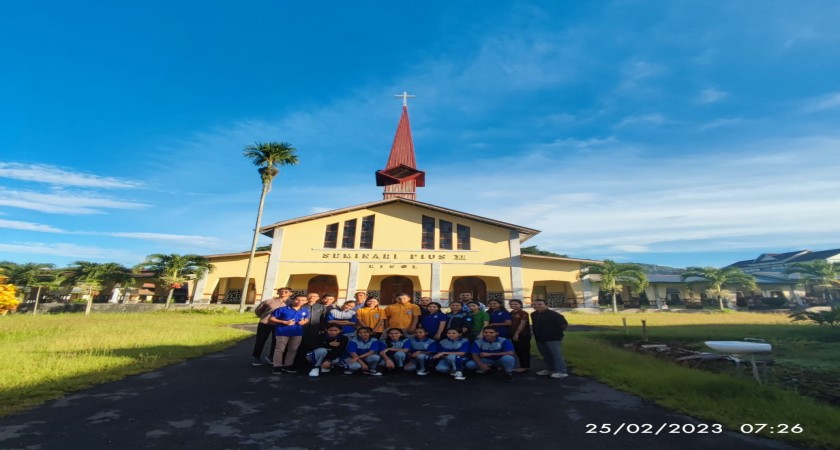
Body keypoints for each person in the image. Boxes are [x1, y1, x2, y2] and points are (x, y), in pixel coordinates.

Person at [268, 295, 311, 374]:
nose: (300, 302)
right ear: (293, 300)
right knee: (280, 349)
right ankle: (277, 366)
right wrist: (284, 322)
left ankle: (288, 365)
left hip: (297, 332)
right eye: (298, 300)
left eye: (303, 300)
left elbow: (306, 319)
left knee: (293, 349)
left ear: (306, 301)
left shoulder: (305, 310)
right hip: (282, 332)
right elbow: (271, 318)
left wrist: (304, 322)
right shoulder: (282, 309)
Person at [530, 299, 569, 379]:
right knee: (545, 354)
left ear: (546, 305)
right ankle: (551, 369)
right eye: (534, 304)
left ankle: (562, 371)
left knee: (556, 354)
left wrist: (555, 332)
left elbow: (564, 325)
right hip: (540, 337)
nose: (537, 306)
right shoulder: (533, 314)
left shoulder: (554, 315)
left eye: (540, 304)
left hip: (553, 338)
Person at [250, 291, 286, 366]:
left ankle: (271, 357)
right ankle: (256, 357)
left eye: (286, 292)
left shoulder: (290, 303)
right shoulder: (268, 301)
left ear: (290, 293)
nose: (283, 293)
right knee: (261, 340)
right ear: (278, 293)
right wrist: (265, 316)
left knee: (276, 341)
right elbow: (258, 311)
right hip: (265, 323)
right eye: (281, 291)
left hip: (279, 324)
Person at [508, 299, 532, 373]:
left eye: (515, 304)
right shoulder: (511, 312)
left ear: (520, 305)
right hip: (513, 334)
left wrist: (517, 334)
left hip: (522, 335)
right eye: (511, 304)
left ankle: (525, 367)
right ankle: (522, 365)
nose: (513, 306)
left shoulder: (523, 313)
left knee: (523, 350)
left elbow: (522, 323)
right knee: (518, 350)